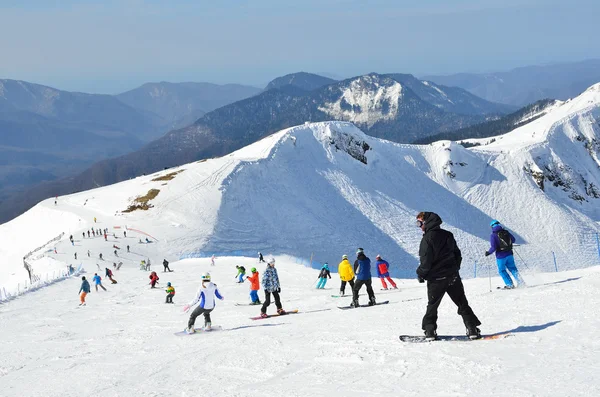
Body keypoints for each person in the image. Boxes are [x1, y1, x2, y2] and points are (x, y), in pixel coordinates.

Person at [416, 211, 481, 340]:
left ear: (426, 222)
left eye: (419, 223)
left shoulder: (427, 239)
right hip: (453, 277)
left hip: (436, 279)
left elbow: (426, 261)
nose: (419, 226)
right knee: (462, 302)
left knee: (433, 305)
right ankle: (472, 328)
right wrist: (454, 269)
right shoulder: (448, 235)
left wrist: (420, 273)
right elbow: (457, 254)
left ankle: (430, 331)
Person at [485, 220, 525, 289]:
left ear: (492, 227)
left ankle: (509, 285)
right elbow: (513, 240)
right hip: (509, 254)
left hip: (501, 256)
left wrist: (488, 252)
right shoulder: (506, 232)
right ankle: (521, 283)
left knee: (502, 270)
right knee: (513, 269)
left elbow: (493, 247)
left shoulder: (493, 235)